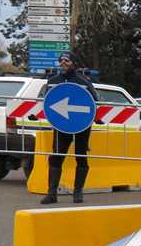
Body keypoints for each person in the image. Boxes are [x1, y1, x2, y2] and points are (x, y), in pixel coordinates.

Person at [41, 51, 98, 204]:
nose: (63, 62)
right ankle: (52, 193)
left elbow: (94, 103)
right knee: (57, 158)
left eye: (66, 60)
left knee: (81, 157)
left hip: (81, 127)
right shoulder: (53, 81)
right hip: (61, 126)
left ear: (73, 62)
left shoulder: (84, 82)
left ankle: (78, 192)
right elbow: (47, 102)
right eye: (60, 60)